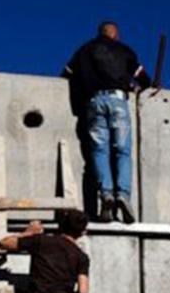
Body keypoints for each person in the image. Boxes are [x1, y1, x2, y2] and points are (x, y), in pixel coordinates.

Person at [62, 21, 150, 224]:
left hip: (94, 102)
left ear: (99, 33)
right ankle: (123, 195)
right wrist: (139, 86)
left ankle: (106, 194)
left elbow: (66, 74)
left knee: (99, 151)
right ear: (115, 34)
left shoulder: (84, 50)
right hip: (118, 101)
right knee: (122, 150)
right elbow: (143, 78)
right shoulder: (124, 50)